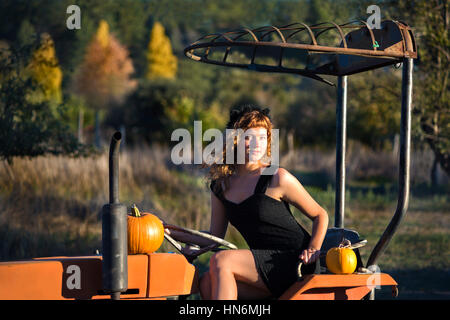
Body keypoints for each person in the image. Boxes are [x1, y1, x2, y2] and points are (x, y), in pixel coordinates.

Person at [169, 105, 329, 300]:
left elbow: (320, 215)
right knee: (207, 283)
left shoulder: (276, 177)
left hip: (294, 263)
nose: (256, 144)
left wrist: (313, 249)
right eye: (249, 138)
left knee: (222, 261)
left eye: (262, 138)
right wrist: (170, 231)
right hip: (262, 265)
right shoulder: (221, 186)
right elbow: (215, 237)